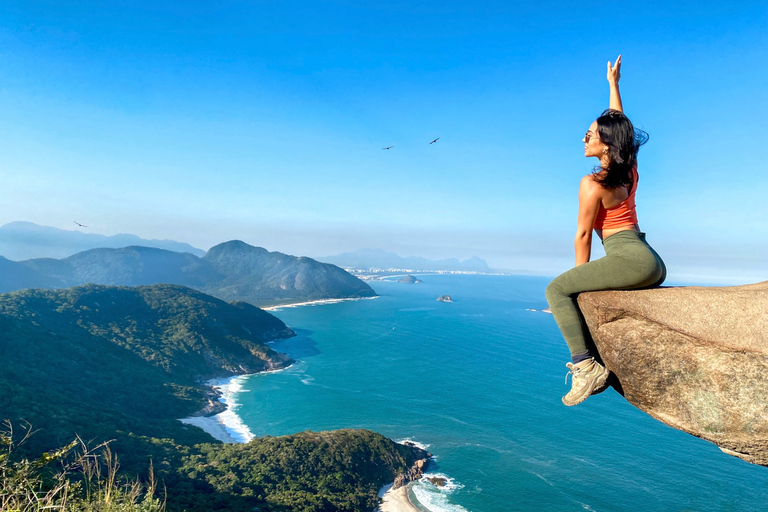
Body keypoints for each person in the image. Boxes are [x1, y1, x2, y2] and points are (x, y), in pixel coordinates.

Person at [545, 55, 666, 406]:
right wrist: (613, 85)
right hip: (651, 261)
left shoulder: (592, 183)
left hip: (630, 258)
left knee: (556, 290)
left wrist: (579, 282)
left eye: (590, 135)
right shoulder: (629, 170)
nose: (584, 139)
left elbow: (583, 236)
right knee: (566, 288)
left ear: (606, 144)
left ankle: (586, 367)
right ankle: (585, 365)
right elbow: (620, 125)